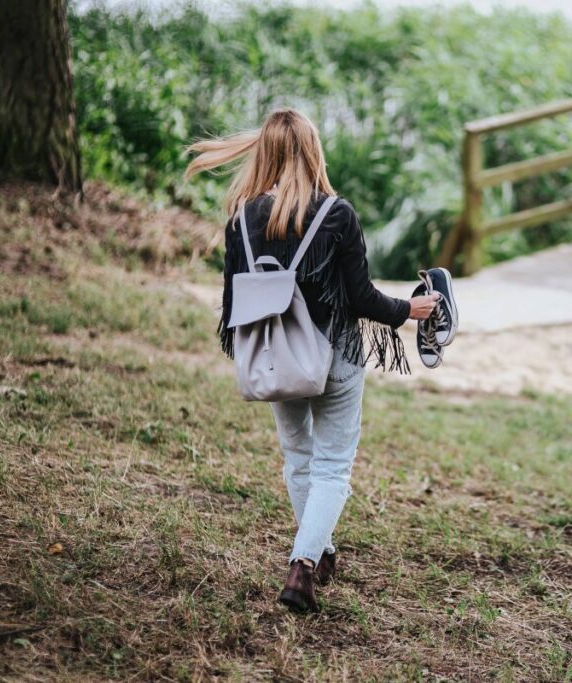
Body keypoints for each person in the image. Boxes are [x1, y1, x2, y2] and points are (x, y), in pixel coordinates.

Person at [185, 108, 440, 613]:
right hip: (336, 356)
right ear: (313, 150)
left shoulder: (241, 218)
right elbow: (362, 298)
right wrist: (409, 310)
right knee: (332, 466)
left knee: (298, 458)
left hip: (279, 356)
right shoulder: (337, 213)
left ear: (266, 152)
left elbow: (234, 303)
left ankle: (320, 552)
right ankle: (303, 565)